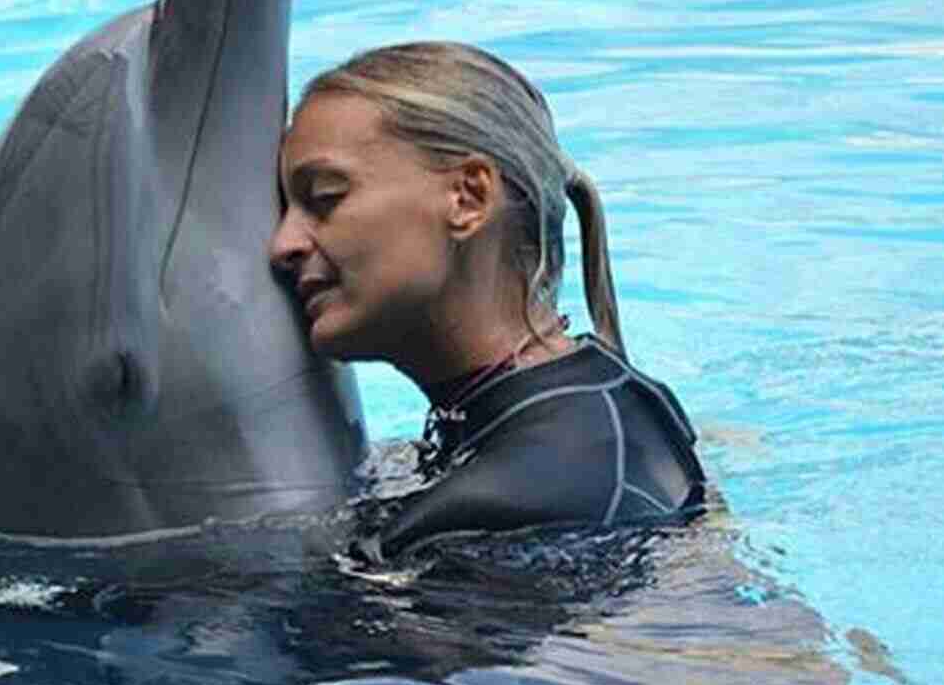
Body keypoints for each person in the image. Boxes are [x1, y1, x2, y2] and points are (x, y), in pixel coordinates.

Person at [268, 42, 705, 559]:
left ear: (468, 198)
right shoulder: (605, 390)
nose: (283, 245)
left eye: (325, 198)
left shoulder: (503, 509)